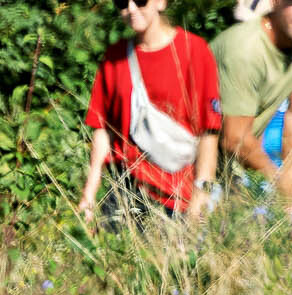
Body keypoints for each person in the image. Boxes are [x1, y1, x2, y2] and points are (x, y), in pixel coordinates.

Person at [77, 0, 222, 226]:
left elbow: (208, 131)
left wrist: (201, 194)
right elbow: (103, 128)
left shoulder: (194, 50)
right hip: (124, 192)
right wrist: (89, 195)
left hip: (177, 199)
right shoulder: (115, 56)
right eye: (122, 3)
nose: (131, 9)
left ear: (161, 2)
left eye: (141, 1)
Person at [212, 0, 292, 195]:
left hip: (226, 163)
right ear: (275, 2)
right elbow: (235, 138)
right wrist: (280, 181)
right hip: (182, 156)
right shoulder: (246, 49)